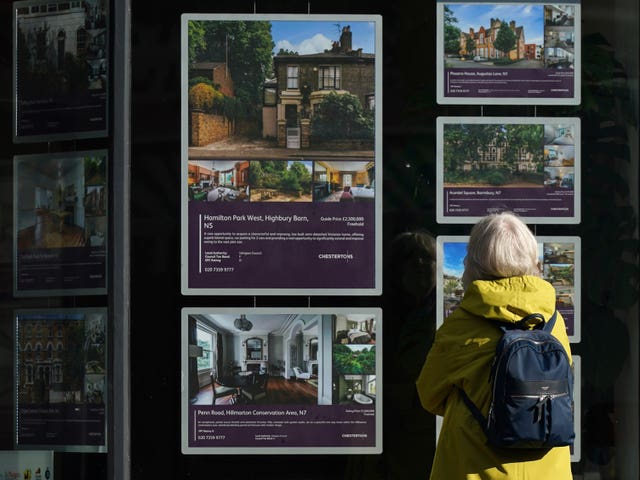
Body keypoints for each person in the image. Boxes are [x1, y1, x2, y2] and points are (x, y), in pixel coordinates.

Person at [416, 212, 573, 479]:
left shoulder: (462, 324)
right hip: (548, 471)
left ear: (474, 262)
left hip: (475, 468)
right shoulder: (552, 319)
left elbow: (429, 395)